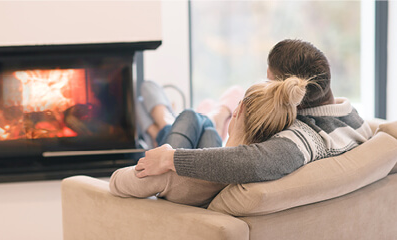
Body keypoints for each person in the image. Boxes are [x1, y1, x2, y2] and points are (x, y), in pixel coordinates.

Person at [134, 39, 373, 184]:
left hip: (190, 188)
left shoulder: (302, 139)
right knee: (199, 114)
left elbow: (253, 162)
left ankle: (163, 126)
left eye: (269, 83)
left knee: (179, 112)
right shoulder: (354, 118)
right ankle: (165, 125)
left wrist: (169, 158)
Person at [110, 76, 310, 207]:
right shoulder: (253, 171)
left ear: (238, 111)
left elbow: (116, 182)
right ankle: (202, 119)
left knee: (165, 105)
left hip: (179, 185)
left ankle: (165, 127)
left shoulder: (170, 175)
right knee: (204, 123)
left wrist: (166, 154)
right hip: (210, 171)